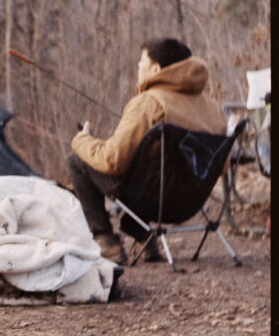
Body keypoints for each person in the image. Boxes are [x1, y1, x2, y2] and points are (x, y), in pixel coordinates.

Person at [67, 37, 226, 263]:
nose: (138, 67)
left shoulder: (149, 102)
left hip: (154, 201)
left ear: (156, 68)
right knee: (147, 167)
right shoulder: (214, 108)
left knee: (76, 160)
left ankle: (106, 241)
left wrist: (82, 140)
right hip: (192, 203)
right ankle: (142, 234)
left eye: (141, 62)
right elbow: (222, 166)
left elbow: (112, 161)